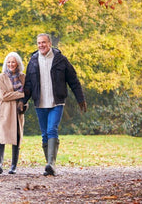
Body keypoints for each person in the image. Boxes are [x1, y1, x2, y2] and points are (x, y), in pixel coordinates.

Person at [21, 33, 87, 176]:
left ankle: (51, 163)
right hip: (40, 103)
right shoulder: (33, 61)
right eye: (39, 43)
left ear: (49, 43)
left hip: (56, 102)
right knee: (44, 134)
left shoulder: (60, 60)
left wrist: (80, 98)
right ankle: (49, 166)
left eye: (44, 42)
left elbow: (73, 80)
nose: (41, 45)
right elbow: (28, 85)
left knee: (52, 130)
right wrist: (23, 102)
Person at [0, 52, 28, 175]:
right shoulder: (1, 77)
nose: (11, 64)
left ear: (17, 63)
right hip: (4, 109)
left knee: (16, 136)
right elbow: (4, 96)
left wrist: (24, 103)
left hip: (17, 110)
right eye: (8, 62)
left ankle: (13, 166)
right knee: (2, 136)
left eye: (13, 62)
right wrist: (22, 94)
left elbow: (27, 96)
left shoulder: (23, 77)